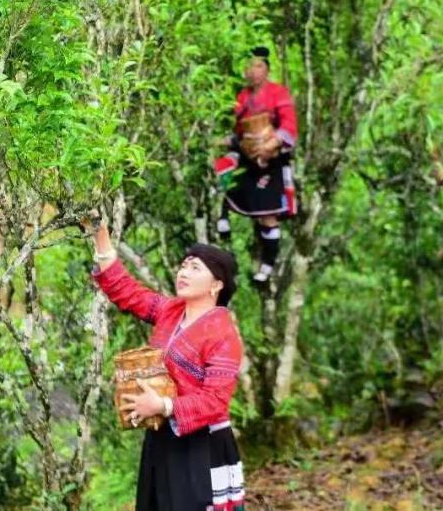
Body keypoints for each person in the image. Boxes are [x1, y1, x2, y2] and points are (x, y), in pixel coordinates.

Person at [89, 222, 245, 511]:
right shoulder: (171, 311)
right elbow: (127, 292)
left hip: (201, 445)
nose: (183, 272)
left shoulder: (223, 334)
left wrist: (163, 405)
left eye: (195, 268)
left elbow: (215, 401)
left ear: (217, 285)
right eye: (183, 266)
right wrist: (101, 236)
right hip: (162, 434)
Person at [214, 46, 298, 284]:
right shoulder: (241, 96)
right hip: (246, 155)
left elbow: (289, 126)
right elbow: (237, 131)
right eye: (249, 66)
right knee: (223, 168)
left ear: (267, 70)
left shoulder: (278, 93)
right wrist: (224, 141)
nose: (253, 71)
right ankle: (222, 220)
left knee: (268, 216)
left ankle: (267, 265)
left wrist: (272, 143)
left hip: (271, 160)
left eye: (258, 66)